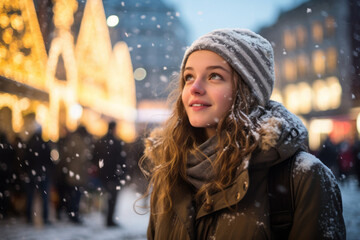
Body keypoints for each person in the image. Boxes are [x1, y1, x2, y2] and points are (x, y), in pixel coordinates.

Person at [139, 29, 346, 239]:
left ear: (247, 90)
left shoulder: (303, 177)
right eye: (189, 77)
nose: (195, 88)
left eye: (214, 76)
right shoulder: (170, 172)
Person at [93, 121, 126, 227]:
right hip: (113, 175)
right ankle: (109, 220)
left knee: (104, 197)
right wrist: (121, 174)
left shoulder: (100, 141)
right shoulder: (116, 142)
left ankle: (107, 218)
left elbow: (94, 158)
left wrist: (100, 169)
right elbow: (121, 160)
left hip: (103, 174)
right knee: (112, 199)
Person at [24, 128, 54, 225]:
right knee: (44, 196)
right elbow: (50, 161)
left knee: (30, 196)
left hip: (32, 173)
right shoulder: (44, 144)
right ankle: (45, 217)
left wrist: (26, 170)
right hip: (43, 173)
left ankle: (28, 217)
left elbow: (25, 159)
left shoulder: (29, 144)